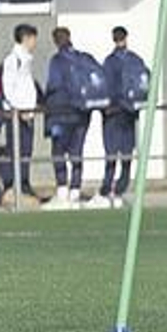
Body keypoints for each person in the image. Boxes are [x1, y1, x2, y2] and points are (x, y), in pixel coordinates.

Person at [43, 27, 109, 209]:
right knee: (77, 151)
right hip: (82, 113)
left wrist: (45, 102)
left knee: (58, 152)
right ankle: (75, 190)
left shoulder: (57, 61)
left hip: (62, 112)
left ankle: (62, 189)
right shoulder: (84, 58)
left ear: (55, 41)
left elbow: (54, 84)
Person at [99, 25, 149, 209]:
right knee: (127, 153)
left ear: (113, 39)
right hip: (131, 112)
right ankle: (120, 190)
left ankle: (107, 190)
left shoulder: (110, 61)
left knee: (111, 152)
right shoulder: (135, 59)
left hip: (114, 112)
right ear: (126, 38)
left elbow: (106, 85)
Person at [0, 22, 41, 206]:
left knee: (26, 151)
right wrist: (19, 109)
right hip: (17, 115)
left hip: (28, 114)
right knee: (15, 150)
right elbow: (8, 89)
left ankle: (24, 183)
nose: (35, 43)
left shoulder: (26, 59)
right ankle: (11, 186)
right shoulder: (12, 60)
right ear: (26, 38)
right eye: (33, 39)